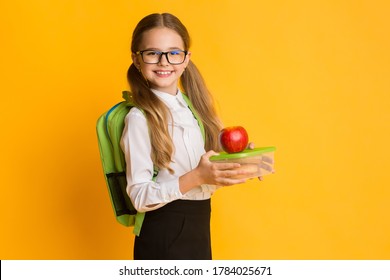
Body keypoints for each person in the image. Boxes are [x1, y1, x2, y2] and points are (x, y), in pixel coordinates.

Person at [120, 13, 253, 260]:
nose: (164, 62)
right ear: (137, 60)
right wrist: (197, 176)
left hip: (199, 223)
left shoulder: (194, 109)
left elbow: (204, 179)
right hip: (164, 232)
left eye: (173, 53)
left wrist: (238, 162)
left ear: (186, 59)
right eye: (152, 53)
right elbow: (139, 197)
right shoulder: (139, 118)